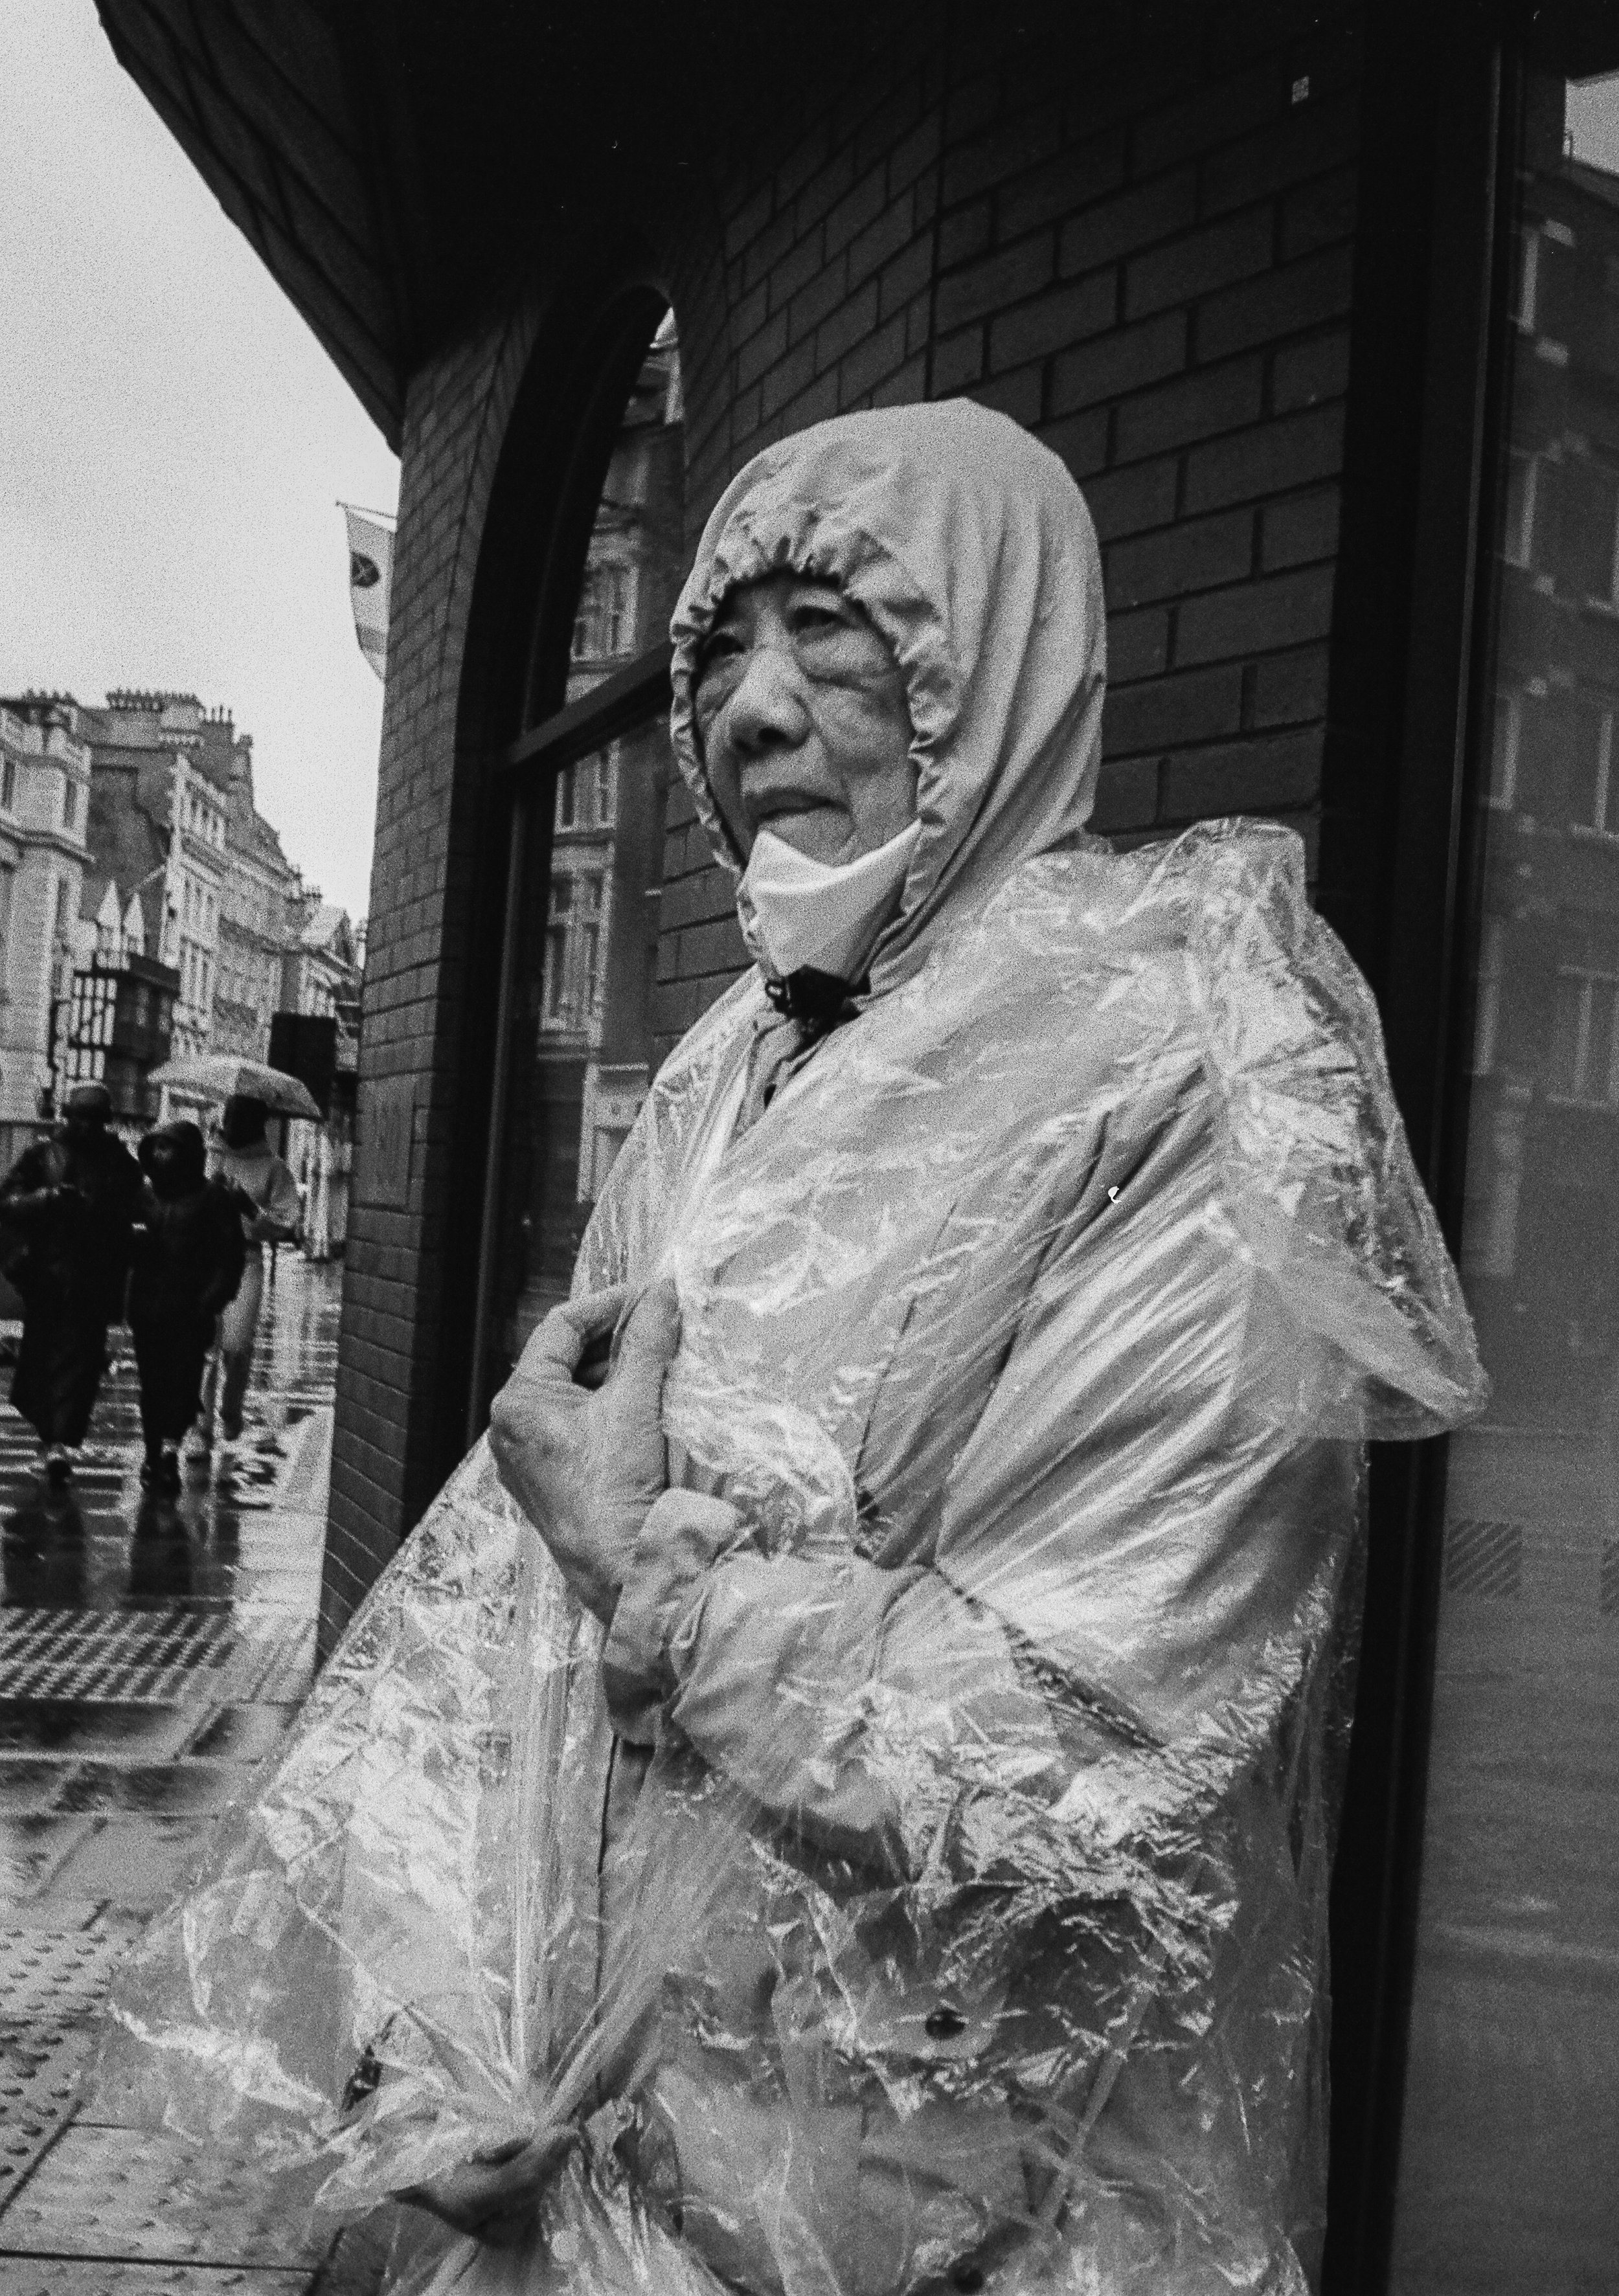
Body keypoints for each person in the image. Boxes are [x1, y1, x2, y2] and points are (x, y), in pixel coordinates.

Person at [104, 405, 1487, 2295]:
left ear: (993, 666)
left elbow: (1069, 1744)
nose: (747, 712)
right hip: (616, 2179)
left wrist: (638, 1561)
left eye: (829, 634)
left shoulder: (1179, 1075)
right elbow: (511, 1668)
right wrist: (434, 2027)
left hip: (980, 2225)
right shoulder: (720, 1077)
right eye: (713, 655)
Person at [0, 1081, 142, 1485]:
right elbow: (8, 1201)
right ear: (67, 1115)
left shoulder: (118, 1161)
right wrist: (46, 1199)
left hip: (93, 1278)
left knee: (80, 1364)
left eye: (95, 1119)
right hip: (46, 1276)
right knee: (42, 1357)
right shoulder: (42, 1155)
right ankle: (51, 1439)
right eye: (81, 1117)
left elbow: (134, 1207)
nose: (87, 1126)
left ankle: (59, 1442)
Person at [130, 1121, 248, 1494]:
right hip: (148, 1307)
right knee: (152, 1384)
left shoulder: (212, 1198)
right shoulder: (145, 1196)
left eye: (169, 1148)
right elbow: (119, 1242)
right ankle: (152, 1452)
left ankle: (169, 1451)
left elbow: (230, 1259)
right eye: (157, 1147)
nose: (161, 1155)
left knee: (182, 1383)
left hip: (189, 1310)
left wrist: (208, 1302)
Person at [207, 1094, 300, 1442]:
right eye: (227, 1116)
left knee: (236, 1344)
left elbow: (285, 1223)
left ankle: (231, 1408)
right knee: (204, 1346)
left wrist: (247, 1206)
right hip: (206, 1258)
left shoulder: (275, 1169)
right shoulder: (209, 1156)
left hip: (246, 1261)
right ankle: (200, 1429)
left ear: (256, 1125)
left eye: (237, 1119)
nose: (229, 1125)